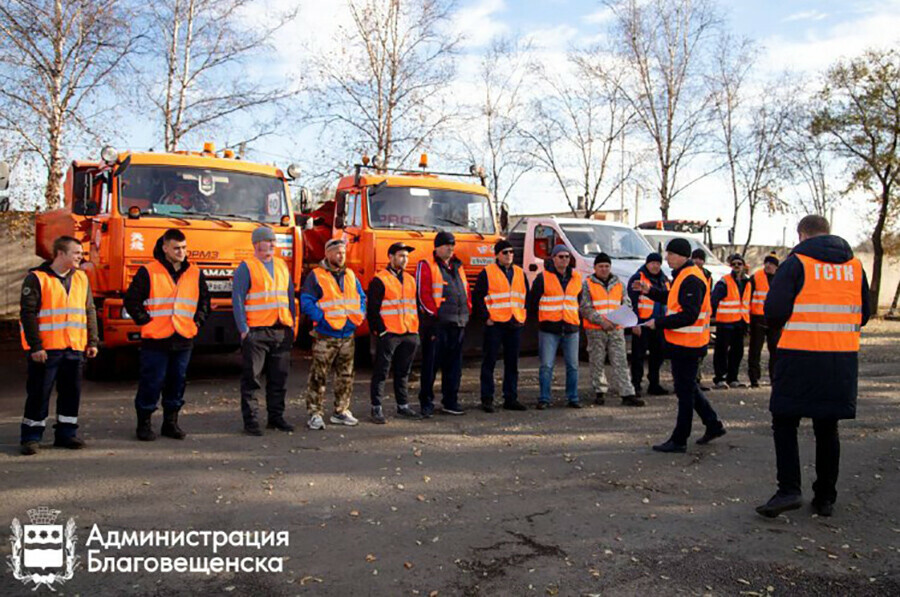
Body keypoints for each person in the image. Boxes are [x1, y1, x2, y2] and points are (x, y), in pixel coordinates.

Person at [756, 215, 870, 518]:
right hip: (840, 359)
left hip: (799, 356)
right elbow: (865, 314)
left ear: (802, 235)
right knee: (827, 427)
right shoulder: (855, 267)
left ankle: (789, 490)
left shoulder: (797, 263)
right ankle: (825, 498)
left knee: (784, 421)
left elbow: (774, 310)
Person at [633, 238, 726, 453]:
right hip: (683, 343)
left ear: (683, 256)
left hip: (689, 344)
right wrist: (650, 291)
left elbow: (689, 315)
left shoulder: (691, 278)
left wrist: (658, 322)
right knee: (688, 388)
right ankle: (713, 424)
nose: (667, 258)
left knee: (684, 393)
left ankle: (680, 439)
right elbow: (674, 298)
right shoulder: (683, 275)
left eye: (671, 254)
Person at [125, 229, 211, 441]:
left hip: (183, 337)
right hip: (156, 338)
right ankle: (144, 424)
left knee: (177, 381)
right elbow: (132, 300)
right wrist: (145, 320)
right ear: (165, 248)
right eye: (176, 248)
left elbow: (204, 303)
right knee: (151, 382)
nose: (181, 252)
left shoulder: (194, 272)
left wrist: (197, 322)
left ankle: (170, 423)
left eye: (184, 248)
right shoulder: (149, 271)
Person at [19, 236, 99, 455]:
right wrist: (36, 346)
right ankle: (31, 436)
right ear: (60, 254)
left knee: (71, 393)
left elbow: (89, 310)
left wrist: (92, 341)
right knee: (39, 393)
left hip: (74, 347)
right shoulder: (36, 278)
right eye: (76, 253)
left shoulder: (82, 278)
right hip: (46, 349)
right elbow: (28, 314)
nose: (80, 258)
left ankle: (66, 434)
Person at [232, 226, 296, 436]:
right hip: (257, 332)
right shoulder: (246, 268)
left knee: (279, 378)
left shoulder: (281, 266)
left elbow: (289, 298)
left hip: (281, 329)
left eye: (273, 241)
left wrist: (292, 325)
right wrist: (243, 329)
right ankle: (251, 421)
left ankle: (276, 418)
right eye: (268, 241)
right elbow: (238, 300)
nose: (272, 244)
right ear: (257, 243)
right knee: (252, 379)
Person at [301, 238, 366, 430]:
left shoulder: (351, 275)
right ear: (327, 254)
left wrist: (359, 315)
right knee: (318, 376)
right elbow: (306, 301)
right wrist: (322, 319)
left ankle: (341, 411)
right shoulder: (316, 275)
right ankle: (314, 413)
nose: (341, 255)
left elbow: (361, 297)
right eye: (337, 252)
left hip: (347, 333)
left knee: (345, 376)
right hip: (326, 335)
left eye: (343, 252)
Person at [416, 231, 470, 417]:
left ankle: (450, 401)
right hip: (437, 325)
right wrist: (433, 318)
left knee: (454, 367)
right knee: (430, 365)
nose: (450, 248)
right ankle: (426, 402)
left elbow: (465, 291)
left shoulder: (458, 266)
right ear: (437, 247)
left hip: (458, 323)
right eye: (447, 244)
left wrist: (466, 311)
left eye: (452, 244)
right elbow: (423, 295)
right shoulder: (426, 265)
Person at [367, 242, 422, 423]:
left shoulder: (410, 279)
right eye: (401, 256)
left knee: (403, 371)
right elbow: (373, 310)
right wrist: (381, 331)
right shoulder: (380, 280)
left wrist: (415, 330)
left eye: (406, 256)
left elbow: (415, 306)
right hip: (390, 333)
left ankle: (403, 406)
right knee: (382, 371)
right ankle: (376, 408)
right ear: (390, 257)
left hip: (409, 332)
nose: (404, 259)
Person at [472, 240, 529, 413]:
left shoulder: (520, 273)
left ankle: (511, 398)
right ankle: (487, 399)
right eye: (505, 252)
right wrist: (486, 317)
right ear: (497, 254)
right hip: (495, 324)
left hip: (514, 322)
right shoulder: (487, 273)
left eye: (511, 252)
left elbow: (525, 295)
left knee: (512, 364)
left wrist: (522, 316)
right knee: (489, 362)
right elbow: (477, 297)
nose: (509, 255)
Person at [580, 253, 642, 407]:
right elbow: (585, 307)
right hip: (596, 329)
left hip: (615, 329)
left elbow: (626, 304)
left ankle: (627, 393)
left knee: (620, 360)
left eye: (606, 266)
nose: (604, 269)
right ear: (595, 268)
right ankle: (599, 392)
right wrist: (602, 321)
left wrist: (616, 320)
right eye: (600, 266)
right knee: (597, 361)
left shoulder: (619, 284)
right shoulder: (587, 284)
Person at [528, 244, 583, 409]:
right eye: (561, 256)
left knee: (573, 366)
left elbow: (578, 300)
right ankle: (544, 398)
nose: (564, 260)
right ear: (553, 258)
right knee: (546, 366)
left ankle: (572, 398)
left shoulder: (576, 277)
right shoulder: (542, 278)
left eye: (567, 257)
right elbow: (533, 302)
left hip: (571, 327)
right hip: (549, 329)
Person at [626, 253, 670, 397]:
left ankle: (654, 384)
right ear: (647, 263)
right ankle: (636, 384)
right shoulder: (638, 278)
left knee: (658, 355)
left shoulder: (665, 280)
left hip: (659, 324)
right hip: (643, 323)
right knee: (638, 356)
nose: (655, 266)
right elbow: (632, 302)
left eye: (658, 263)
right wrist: (635, 323)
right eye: (652, 263)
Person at [711, 253, 750, 389]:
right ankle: (720, 377)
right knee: (721, 350)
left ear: (744, 266)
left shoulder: (747, 282)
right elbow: (714, 299)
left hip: (740, 322)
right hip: (725, 322)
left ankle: (733, 377)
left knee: (737, 351)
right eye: (734, 264)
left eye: (739, 264)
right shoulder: (725, 281)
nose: (737, 267)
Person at [746, 253, 781, 388]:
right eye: (766, 263)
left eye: (771, 263)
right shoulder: (756, 278)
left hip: (775, 319)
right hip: (758, 318)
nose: (768, 265)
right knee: (755, 350)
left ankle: (774, 377)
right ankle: (754, 379)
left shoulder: (781, 279)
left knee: (775, 351)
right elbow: (747, 298)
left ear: (776, 267)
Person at [691, 249, 714, 392]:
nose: (698, 262)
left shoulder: (707, 275)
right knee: (691, 354)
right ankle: (692, 381)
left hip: (704, 320)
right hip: (692, 321)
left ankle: (697, 380)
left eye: (701, 259)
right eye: (696, 259)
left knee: (701, 352)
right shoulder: (690, 274)